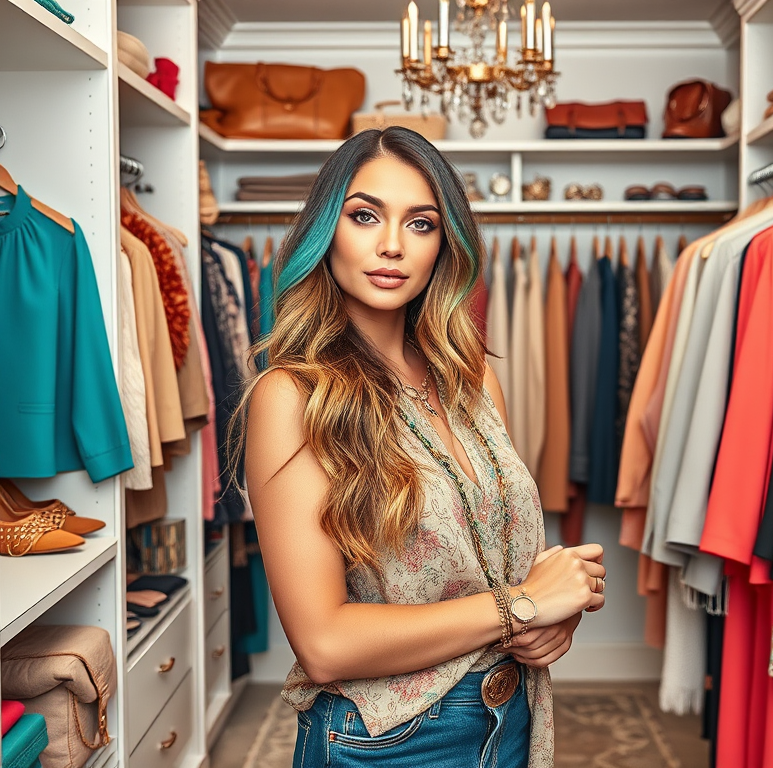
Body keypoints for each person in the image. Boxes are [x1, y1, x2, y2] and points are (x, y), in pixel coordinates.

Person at [237, 127, 607, 768]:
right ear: (327, 230)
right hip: (386, 743)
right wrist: (520, 607)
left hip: (509, 715)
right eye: (364, 215)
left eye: (421, 223)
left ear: (446, 245)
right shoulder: (292, 396)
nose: (391, 246)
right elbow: (323, 640)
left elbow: (498, 564)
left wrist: (555, 613)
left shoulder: (473, 379)